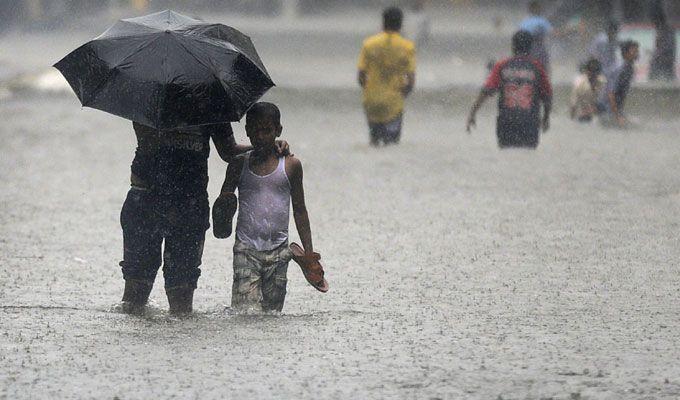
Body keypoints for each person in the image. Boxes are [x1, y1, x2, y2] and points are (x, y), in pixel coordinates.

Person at [119, 121, 289, 315]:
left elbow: (228, 151)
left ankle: (178, 338)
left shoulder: (209, 99)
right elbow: (146, 141)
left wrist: (267, 146)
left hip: (189, 204)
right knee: (135, 292)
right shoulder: (152, 96)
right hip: (147, 200)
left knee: (182, 292)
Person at [212, 102, 317, 312]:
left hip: (279, 251)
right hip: (246, 249)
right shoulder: (238, 164)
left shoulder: (291, 166)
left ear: (278, 130)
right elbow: (222, 212)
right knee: (245, 312)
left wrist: (309, 253)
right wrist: (223, 207)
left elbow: (300, 210)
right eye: (255, 131)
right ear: (247, 132)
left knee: (272, 314)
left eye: (267, 131)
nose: (261, 137)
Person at [466, 30, 552, 149]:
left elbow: (486, 91)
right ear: (531, 47)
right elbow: (547, 95)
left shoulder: (501, 66)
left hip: (507, 122)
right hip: (530, 123)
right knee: (528, 158)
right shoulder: (537, 68)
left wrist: (472, 113)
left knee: (506, 157)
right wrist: (546, 118)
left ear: (513, 46)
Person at [358, 6, 416, 146]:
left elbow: (360, 76)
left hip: (371, 101)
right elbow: (411, 81)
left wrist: (369, 91)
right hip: (393, 103)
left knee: (374, 143)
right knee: (391, 144)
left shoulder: (369, 44)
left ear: (383, 22)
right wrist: (401, 95)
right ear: (401, 24)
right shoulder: (407, 47)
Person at [599, 40, 640, 128]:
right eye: (634, 51)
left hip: (615, 111)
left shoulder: (629, 68)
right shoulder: (620, 70)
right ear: (625, 53)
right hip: (606, 112)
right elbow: (611, 94)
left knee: (637, 125)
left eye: (637, 50)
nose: (637, 53)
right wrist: (618, 117)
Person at [519, 0, 553, 75]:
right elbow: (551, 32)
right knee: (543, 68)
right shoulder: (542, 21)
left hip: (528, 49)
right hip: (538, 48)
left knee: (530, 68)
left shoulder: (524, 22)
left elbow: (520, 35)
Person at [570, 58, 606, 122]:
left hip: (596, 110)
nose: (593, 76)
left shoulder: (602, 81)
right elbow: (573, 104)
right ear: (587, 72)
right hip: (581, 112)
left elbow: (603, 100)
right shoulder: (579, 84)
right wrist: (572, 119)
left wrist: (592, 109)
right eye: (592, 72)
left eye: (596, 73)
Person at [648, 2, 676, 81]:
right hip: (664, 65)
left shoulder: (665, 31)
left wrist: (654, 56)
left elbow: (666, 51)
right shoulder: (663, 30)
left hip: (665, 65)